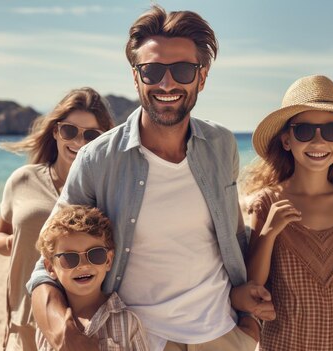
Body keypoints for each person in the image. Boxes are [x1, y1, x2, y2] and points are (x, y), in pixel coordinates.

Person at [27, 5, 275, 351]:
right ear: (135, 77)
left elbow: (231, 235)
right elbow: (47, 260)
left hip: (223, 334)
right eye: (153, 70)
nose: (167, 83)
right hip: (139, 339)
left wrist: (248, 325)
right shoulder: (97, 159)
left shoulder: (221, 144)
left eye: (183, 70)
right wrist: (61, 332)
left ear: (202, 77)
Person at [241, 75, 333, 350]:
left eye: (331, 130)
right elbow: (253, 285)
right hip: (285, 344)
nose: (318, 141)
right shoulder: (267, 203)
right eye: (305, 131)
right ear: (287, 140)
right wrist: (270, 233)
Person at [0, 87, 115, 351]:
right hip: (25, 314)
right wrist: (14, 243)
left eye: (91, 135)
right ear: (56, 131)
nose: (79, 142)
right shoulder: (23, 179)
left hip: (81, 322)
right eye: (70, 130)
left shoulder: (103, 190)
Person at [35, 205, 149, 351]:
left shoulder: (127, 322)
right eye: (69, 258)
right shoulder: (46, 328)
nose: (83, 265)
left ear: (108, 260)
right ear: (51, 268)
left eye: (95, 254)